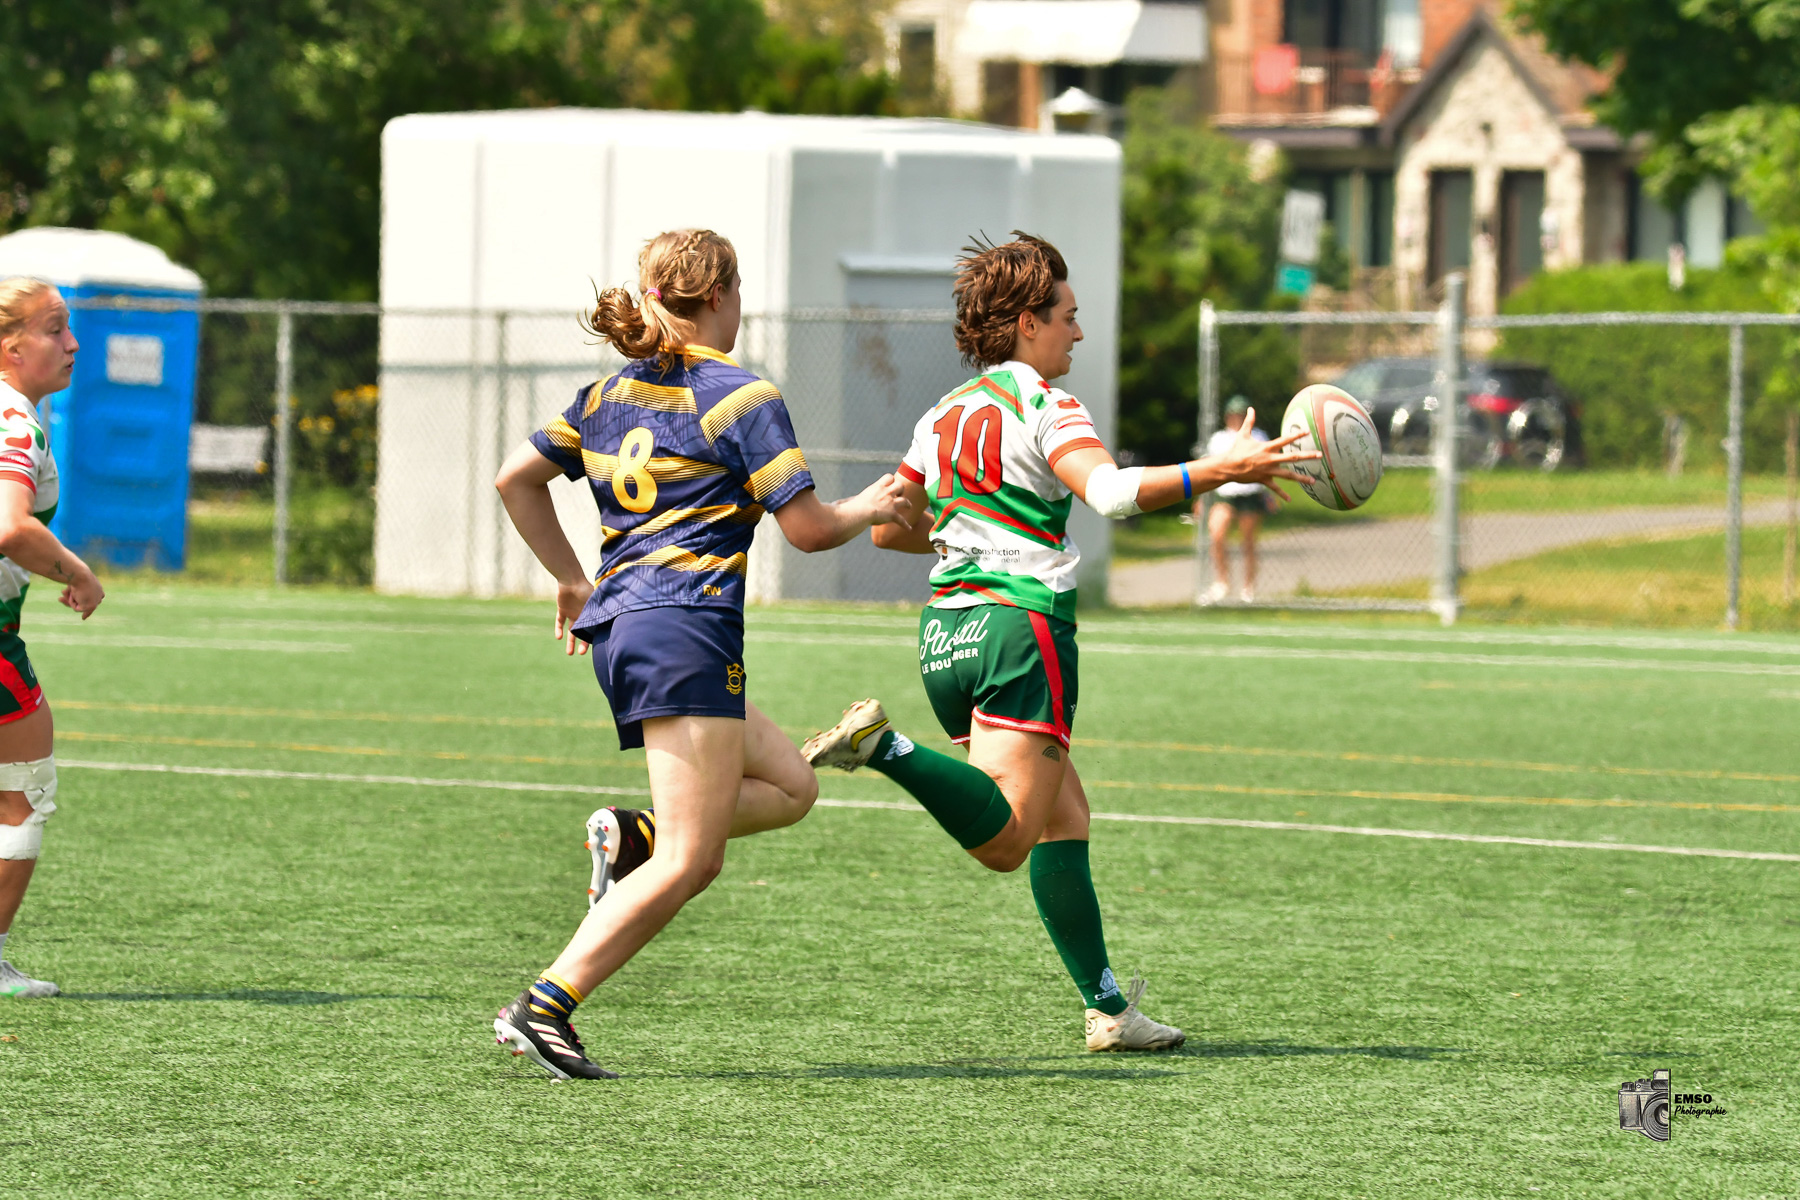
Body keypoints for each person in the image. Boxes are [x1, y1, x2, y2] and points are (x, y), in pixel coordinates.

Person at [801, 233, 1314, 1051]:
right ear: (1027, 322)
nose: (1078, 333)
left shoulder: (942, 413)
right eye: (1069, 317)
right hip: (1018, 628)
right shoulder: (1044, 403)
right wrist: (1226, 470)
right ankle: (882, 746)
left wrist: (967, 534)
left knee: (1063, 817)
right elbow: (1108, 493)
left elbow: (892, 532)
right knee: (1008, 841)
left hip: (946, 635)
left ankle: (1109, 1009)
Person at [489, 228, 912, 1080]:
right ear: (723, 295)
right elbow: (809, 528)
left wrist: (572, 582)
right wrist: (873, 503)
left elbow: (514, 480)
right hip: (682, 625)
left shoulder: (605, 394)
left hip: (634, 628)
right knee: (693, 857)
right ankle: (547, 1003)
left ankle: (637, 836)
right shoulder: (739, 395)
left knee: (790, 788)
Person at [0, 279, 106, 999]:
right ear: (10, 347)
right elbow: (9, 525)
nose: (71, 344)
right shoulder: (15, 422)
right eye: (53, 329)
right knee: (23, 796)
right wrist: (78, 571)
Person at [1199, 396, 1276, 605]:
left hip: (1250, 495)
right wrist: (1200, 498)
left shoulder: (1259, 436)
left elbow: (1267, 467)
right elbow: (1207, 469)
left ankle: (1248, 587)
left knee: (1248, 542)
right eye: (1233, 415)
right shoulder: (1218, 439)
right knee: (1217, 535)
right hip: (1225, 495)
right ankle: (1222, 583)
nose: (1236, 418)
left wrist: (1268, 494)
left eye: (1240, 415)